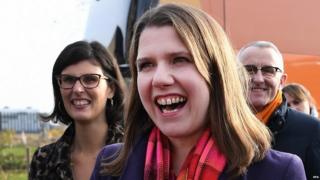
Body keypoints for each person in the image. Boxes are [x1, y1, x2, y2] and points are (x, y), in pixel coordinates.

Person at [91, 4, 306, 180]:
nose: (159, 79)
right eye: (146, 65)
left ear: (217, 73)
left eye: (180, 60)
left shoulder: (280, 172)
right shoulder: (109, 166)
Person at [29, 40, 127, 180]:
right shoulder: (43, 162)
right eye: (68, 79)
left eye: (90, 79)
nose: (78, 89)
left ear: (111, 89)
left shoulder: (137, 153)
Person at [238, 40, 320, 179]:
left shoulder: (311, 129)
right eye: (248, 70)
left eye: (269, 71)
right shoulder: (218, 125)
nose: (258, 79)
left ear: (282, 81)